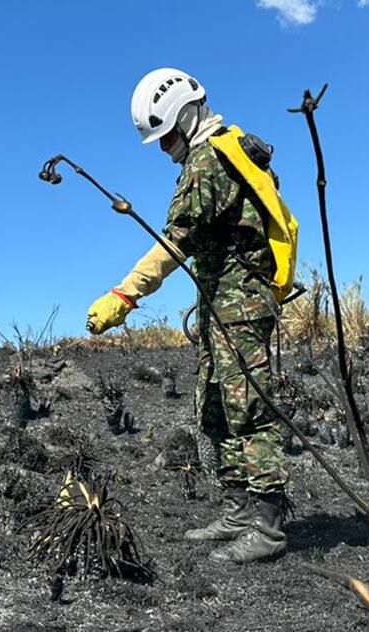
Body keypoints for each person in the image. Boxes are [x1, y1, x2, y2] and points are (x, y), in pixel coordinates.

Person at [86, 68, 297, 564]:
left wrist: (126, 293)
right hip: (221, 301)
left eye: (167, 137)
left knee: (249, 408)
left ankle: (266, 529)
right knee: (216, 407)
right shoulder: (212, 155)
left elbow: (174, 242)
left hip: (240, 303)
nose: (164, 149)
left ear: (185, 114)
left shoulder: (209, 161)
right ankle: (238, 512)